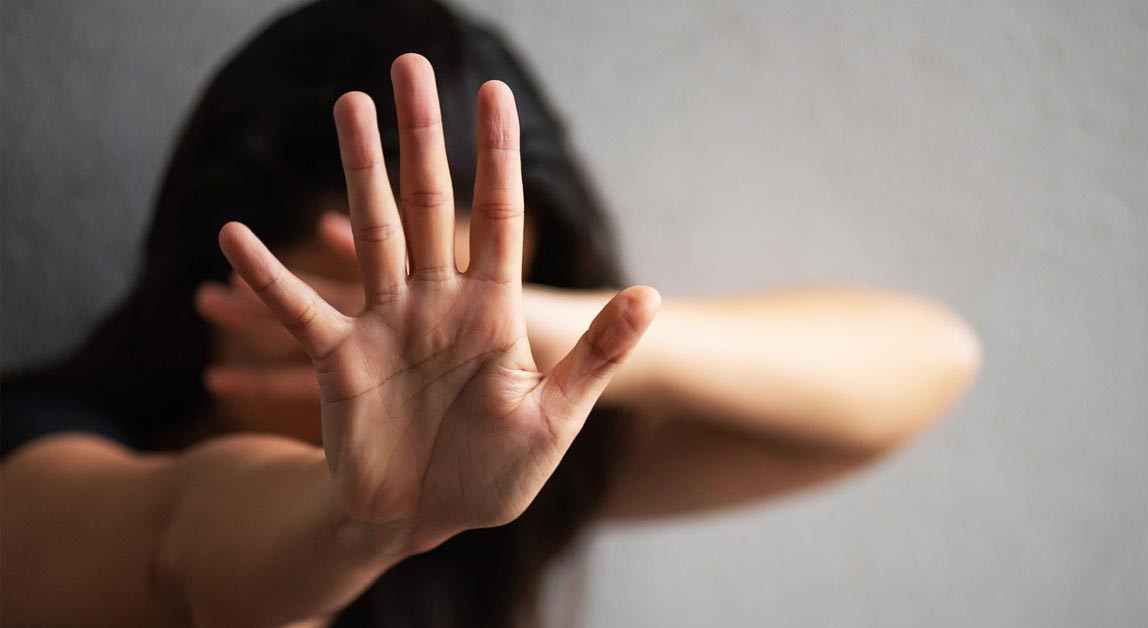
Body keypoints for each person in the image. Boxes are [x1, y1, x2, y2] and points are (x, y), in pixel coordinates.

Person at [0, 1, 981, 626]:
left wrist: (561, 336)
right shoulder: (39, 451)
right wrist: (365, 523)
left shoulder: (486, 467)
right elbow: (179, 550)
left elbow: (928, 359)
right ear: (214, 270)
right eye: (361, 305)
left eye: (474, 314)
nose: (419, 359)